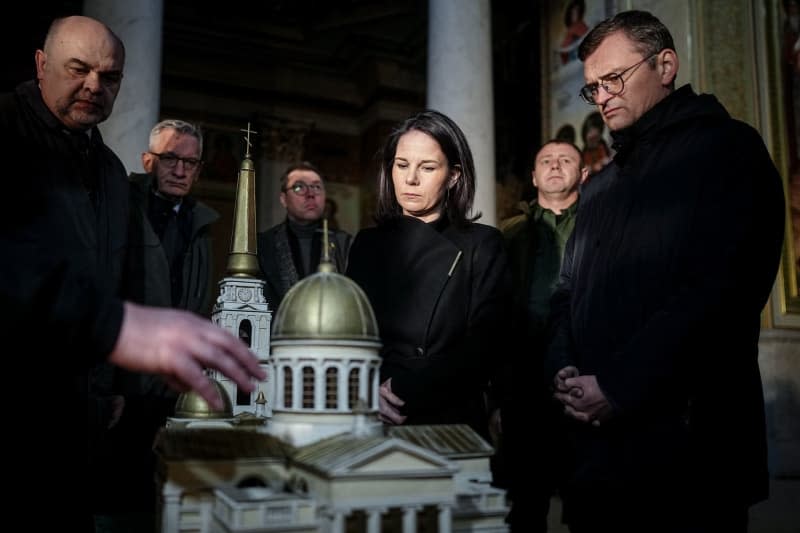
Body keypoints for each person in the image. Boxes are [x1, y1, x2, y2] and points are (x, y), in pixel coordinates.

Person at [0, 16, 265, 530]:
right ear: (40, 64)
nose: (94, 86)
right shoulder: (3, 129)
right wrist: (116, 329)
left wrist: (111, 388)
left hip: (81, 413)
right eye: (78, 69)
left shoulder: (107, 171)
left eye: (110, 76)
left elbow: (116, 278)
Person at [545, 10, 784, 532]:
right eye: (592, 88)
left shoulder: (728, 150)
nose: (603, 95)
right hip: (596, 457)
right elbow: (567, 291)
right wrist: (563, 366)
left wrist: (619, 385)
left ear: (666, 64)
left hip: (688, 451)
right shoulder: (600, 188)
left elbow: (723, 294)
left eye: (614, 78)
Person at [346, 110, 511, 439]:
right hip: (369, 416)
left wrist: (408, 385)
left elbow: (485, 344)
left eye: (428, 167)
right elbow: (349, 334)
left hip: (447, 422)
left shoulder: (483, 243)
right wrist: (364, 387)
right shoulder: (366, 244)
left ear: (453, 176)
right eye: (402, 164)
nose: (410, 179)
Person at [95, 119, 220, 531]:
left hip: (174, 383)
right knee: (115, 493)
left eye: (190, 162)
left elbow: (198, 298)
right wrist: (109, 381)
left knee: (166, 493)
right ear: (149, 161)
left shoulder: (203, 224)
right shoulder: (121, 207)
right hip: (124, 378)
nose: (180, 170)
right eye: (171, 159)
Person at [499, 140, 587, 531]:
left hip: (585, 372)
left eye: (565, 160)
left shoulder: (601, 224)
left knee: (589, 498)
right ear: (533, 176)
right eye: (546, 161)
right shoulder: (506, 235)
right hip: (525, 376)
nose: (555, 166)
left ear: (583, 174)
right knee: (526, 500)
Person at [257, 161, 351, 311]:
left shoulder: (345, 243)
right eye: (299, 187)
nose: (310, 194)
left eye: (316, 187)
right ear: (283, 199)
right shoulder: (264, 245)